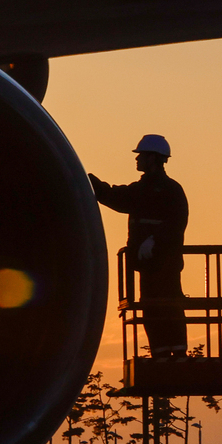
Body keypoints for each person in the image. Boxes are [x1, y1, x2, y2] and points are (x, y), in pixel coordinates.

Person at [89, 134, 189, 357]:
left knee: (169, 305)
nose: (137, 160)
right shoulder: (142, 189)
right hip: (148, 263)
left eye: (141, 155)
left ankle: (178, 352)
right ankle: (161, 352)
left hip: (165, 263)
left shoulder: (170, 190)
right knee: (152, 307)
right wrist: (91, 183)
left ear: (153, 158)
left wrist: (155, 240)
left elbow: (177, 222)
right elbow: (116, 197)